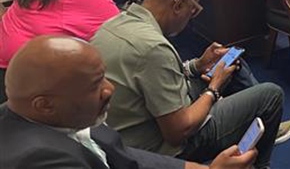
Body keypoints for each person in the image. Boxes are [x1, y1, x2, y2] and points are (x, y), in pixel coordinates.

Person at [91, 0, 290, 167]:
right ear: (179, 5)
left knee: (231, 63)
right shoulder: (153, 47)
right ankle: (260, 155)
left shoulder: (112, 25)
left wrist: (196, 66)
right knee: (271, 95)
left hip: (129, 132)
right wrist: (213, 89)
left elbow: (149, 77)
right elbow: (178, 132)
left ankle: (264, 124)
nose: (191, 19)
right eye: (193, 10)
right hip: (160, 148)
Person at [0, 36, 255, 169]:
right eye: (95, 85)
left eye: (104, 78)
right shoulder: (39, 160)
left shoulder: (64, 116)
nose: (110, 90)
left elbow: (127, 158)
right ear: (44, 105)